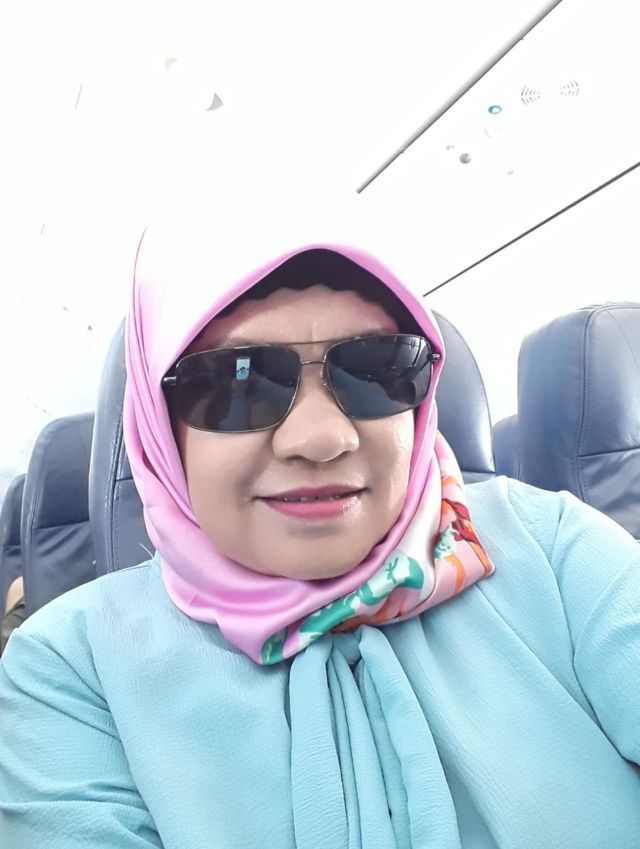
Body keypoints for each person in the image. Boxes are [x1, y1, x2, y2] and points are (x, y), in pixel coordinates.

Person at [1, 190, 640, 849]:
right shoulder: (70, 670)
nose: (321, 437)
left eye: (377, 369)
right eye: (239, 382)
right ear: (161, 429)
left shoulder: (557, 550)